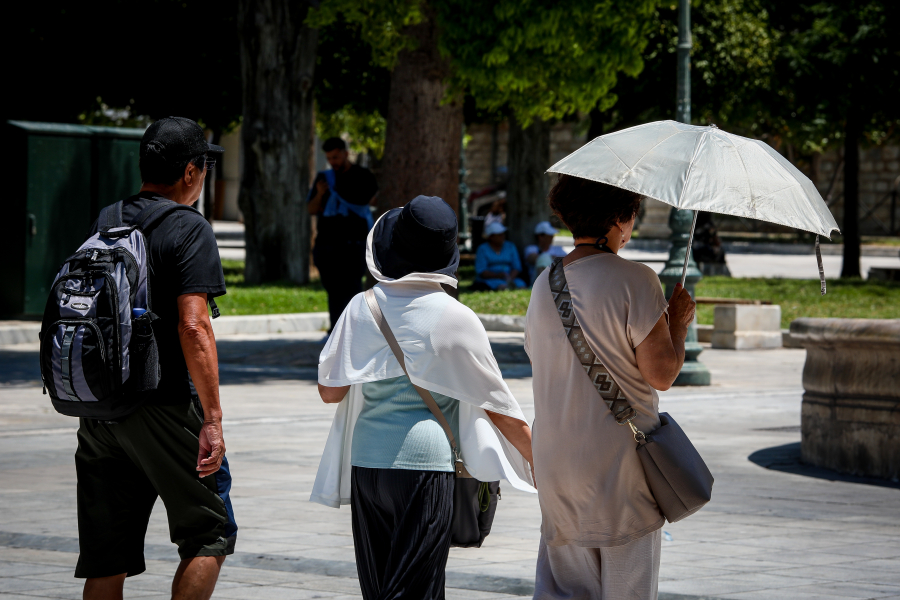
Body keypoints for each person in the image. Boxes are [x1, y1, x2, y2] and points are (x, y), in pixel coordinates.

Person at [311, 195, 536, 600]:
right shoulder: (455, 317)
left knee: (379, 587)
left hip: (366, 463)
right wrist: (545, 463)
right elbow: (500, 410)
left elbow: (331, 391)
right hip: (425, 465)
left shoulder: (361, 307)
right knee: (418, 589)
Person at [78, 117, 237, 600]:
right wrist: (212, 418)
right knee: (208, 533)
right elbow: (193, 325)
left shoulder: (108, 220)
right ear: (190, 172)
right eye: (204, 164)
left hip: (100, 409)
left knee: (107, 554)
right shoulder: (189, 229)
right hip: (164, 404)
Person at [525, 175, 696, 600]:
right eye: (633, 215)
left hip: (556, 463)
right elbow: (662, 374)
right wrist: (678, 323)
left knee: (566, 589)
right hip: (618, 466)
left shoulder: (544, 284)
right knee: (627, 587)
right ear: (620, 219)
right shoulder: (636, 279)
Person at [307, 137, 379, 331]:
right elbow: (311, 209)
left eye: (336, 157)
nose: (333, 162)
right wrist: (321, 194)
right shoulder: (324, 178)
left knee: (352, 290)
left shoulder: (363, 176)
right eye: (330, 158)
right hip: (327, 246)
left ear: (346, 154)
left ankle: (353, 331)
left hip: (354, 245)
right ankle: (336, 330)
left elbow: (366, 200)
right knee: (334, 291)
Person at [473, 222, 527, 290]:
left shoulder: (510, 246)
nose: (502, 236)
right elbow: (481, 271)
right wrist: (497, 276)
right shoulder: (482, 249)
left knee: (522, 286)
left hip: (511, 278)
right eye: (499, 235)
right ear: (491, 237)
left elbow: (516, 267)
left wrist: (509, 279)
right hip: (490, 280)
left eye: (503, 234)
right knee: (503, 287)